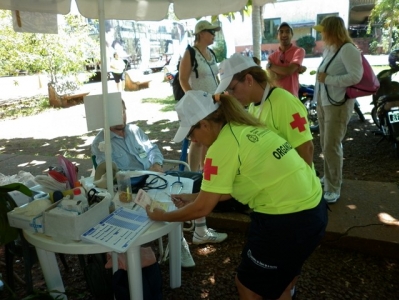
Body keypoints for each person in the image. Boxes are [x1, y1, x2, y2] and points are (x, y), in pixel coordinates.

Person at [146, 90, 328, 300]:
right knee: (282, 283)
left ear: (204, 124)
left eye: (190, 133)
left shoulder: (222, 147)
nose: (193, 139)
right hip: (314, 210)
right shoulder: (243, 126)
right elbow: (223, 192)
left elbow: (203, 209)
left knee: (248, 286)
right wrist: (192, 196)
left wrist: (163, 216)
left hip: (285, 221)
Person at [91, 100, 227, 267]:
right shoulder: (101, 142)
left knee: (197, 180)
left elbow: (153, 149)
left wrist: (157, 164)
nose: (121, 116)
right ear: (107, 116)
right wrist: (141, 174)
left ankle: (199, 230)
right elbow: (110, 174)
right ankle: (179, 241)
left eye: (123, 110)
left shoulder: (135, 130)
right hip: (132, 186)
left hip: (156, 176)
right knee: (173, 197)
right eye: (116, 112)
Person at [215, 53, 314, 167]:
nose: (230, 95)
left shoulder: (284, 102)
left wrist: (302, 182)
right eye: (227, 91)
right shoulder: (253, 105)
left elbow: (306, 148)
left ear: (249, 80)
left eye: (232, 89)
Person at [313, 16, 363, 204]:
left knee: (332, 145)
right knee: (326, 144)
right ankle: (329, 178)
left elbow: (356, 77)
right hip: (325, 102)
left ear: (332, 30)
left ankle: (333, 186)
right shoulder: (331, 49)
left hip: (338, 104)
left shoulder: (348, 49)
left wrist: (329, 79)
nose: (322, 33)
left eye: (323, 30)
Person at [179, 20, 220, 173]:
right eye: (211, 32)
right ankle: (194, 173)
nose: (214, 35)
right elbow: (182, 79)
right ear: (201, 33)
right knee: (197, 140)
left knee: (210, 139)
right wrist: (194, 100)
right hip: (198, 105)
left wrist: (219, 95)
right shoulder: (190, 53)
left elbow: (215, 77)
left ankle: (206, 171)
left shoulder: (212, 53)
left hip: (213, 104)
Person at [266, 22, 306, 97]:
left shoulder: (298, 51)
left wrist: (271, 66)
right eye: (281, 32)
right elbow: (272, 77)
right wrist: (293, 69)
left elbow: (289, 71)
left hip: (292, 97)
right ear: (277, 36)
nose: (284, 34)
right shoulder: (272, 57)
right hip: (276, 97)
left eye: (287, 32)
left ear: (292, 35)